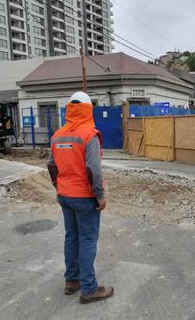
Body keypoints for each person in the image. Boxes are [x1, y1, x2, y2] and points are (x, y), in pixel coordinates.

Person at [47, 92, 114, 304]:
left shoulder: (58, 135)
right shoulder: (89, 134)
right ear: (88, 109)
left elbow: (51, 164)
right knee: (86, 240)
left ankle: (72, 281)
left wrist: (59, 185)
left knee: (72, 237)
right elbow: (93, 167)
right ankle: (89, 288)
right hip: (84, 197)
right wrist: (100, 195)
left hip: (65, 195)